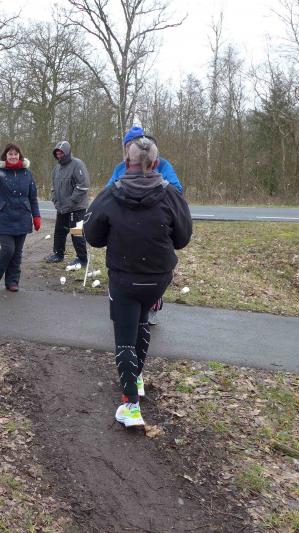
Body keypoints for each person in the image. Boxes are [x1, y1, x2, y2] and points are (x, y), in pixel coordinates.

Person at [84, 135, 192, 428]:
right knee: (142, 322)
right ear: (156, 163)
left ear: (126, 162)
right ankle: (136, 377)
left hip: (124, 277)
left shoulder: (111, 194)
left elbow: (93, 236)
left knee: (124, 338)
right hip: (157, 278)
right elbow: (183, 238)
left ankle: (131, 406)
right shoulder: (171, 194)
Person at [106, 125, 183, 325]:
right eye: (129, 145)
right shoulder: (120, 168)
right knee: (126, 269)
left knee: (152, 268)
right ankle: (127, 310)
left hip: (153, 224)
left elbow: (176, 190)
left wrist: (152, 192)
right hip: (126, 226)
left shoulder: (162, 165)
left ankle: (151, 307)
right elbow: (108, 192)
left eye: (136, 144)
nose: (134, 149)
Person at [0, 143, 40, 292]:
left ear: (19, 155)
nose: (13, 156)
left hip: (23, 217)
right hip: (4, 217)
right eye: (10, 154)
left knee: (17, 253)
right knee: (8, 249)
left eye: (15, 154)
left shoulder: (27, 174)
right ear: (5, 156)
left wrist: (36, 216)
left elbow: (32, 197)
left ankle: (12, 281)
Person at [46, 141, 90, 269]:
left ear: (67, 152)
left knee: (76, 233)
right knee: (59, 232)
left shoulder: (77, 164)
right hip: (62, 208)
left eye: (61, 152)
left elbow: (83, 185)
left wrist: (71, 202)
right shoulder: (56, 169)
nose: (59, 155)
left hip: (76, 208)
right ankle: (58, 254)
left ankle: (82, 259)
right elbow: (53, 187)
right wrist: (55, 200)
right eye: (57, 153)